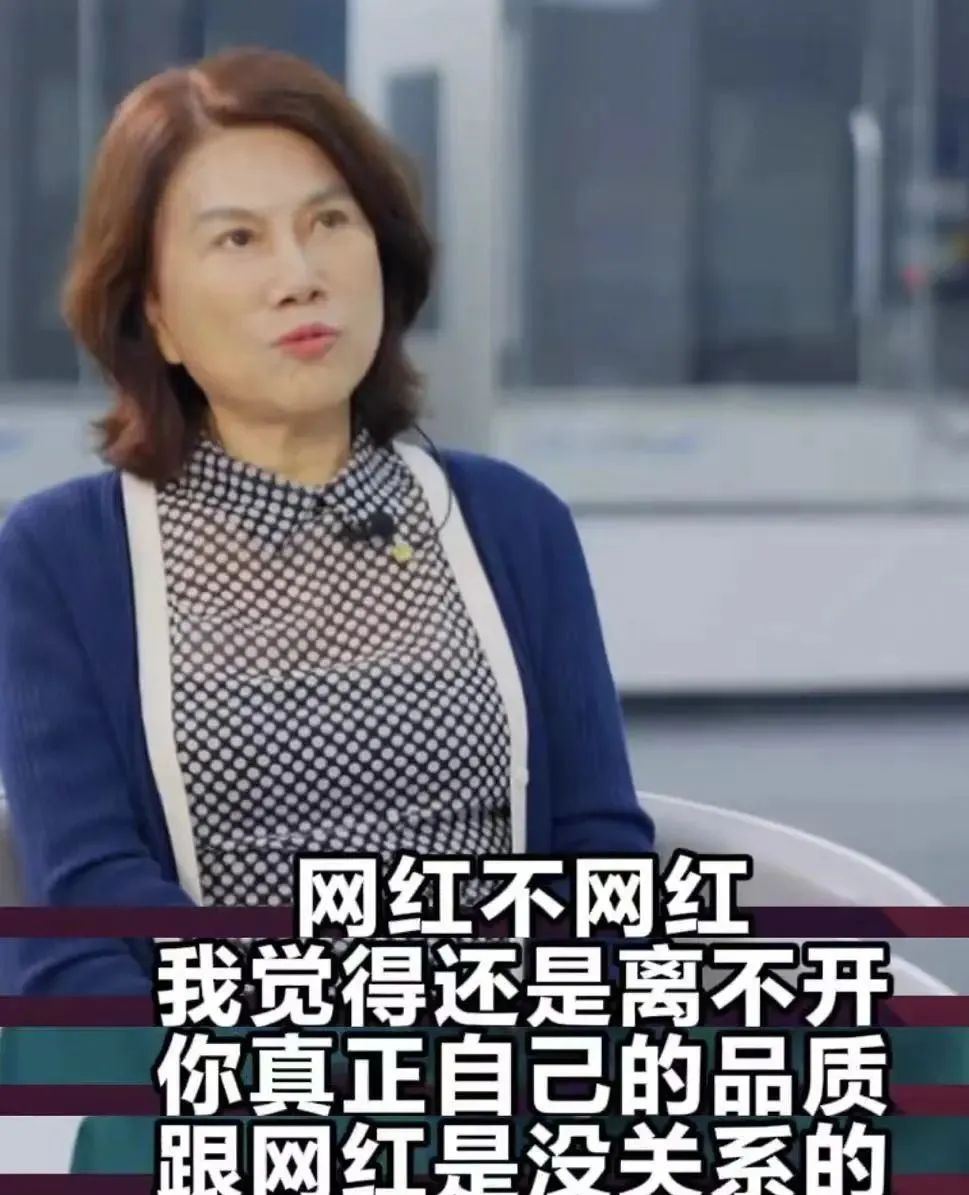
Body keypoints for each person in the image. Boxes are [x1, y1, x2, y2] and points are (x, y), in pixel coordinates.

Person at [0, 48, 654, 996]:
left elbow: (600, 863)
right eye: (238, 239)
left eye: (329, 223)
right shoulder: (61, 559)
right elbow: (87, 907)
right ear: (157, 315)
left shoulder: (514, 525)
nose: (300, 276)